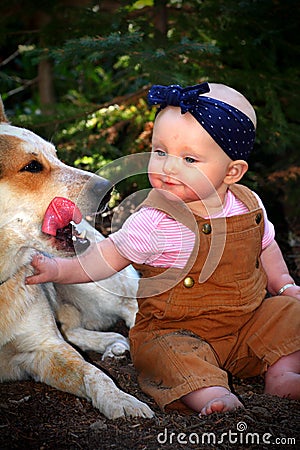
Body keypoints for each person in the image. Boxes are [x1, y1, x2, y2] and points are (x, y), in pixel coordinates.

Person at [26, 82, 300, 417]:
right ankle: (209, 392)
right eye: (160, 152)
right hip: (178, 332)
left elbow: (265, 245)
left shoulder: (247, 204)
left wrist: (284, 284)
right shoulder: (155, 220)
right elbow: (106, 257)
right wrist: (58, 270)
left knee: (290, 313)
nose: (169, 167)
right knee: (167, 354)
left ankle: (282, 373)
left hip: (247, 324)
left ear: (233, 171)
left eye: (188, 158)